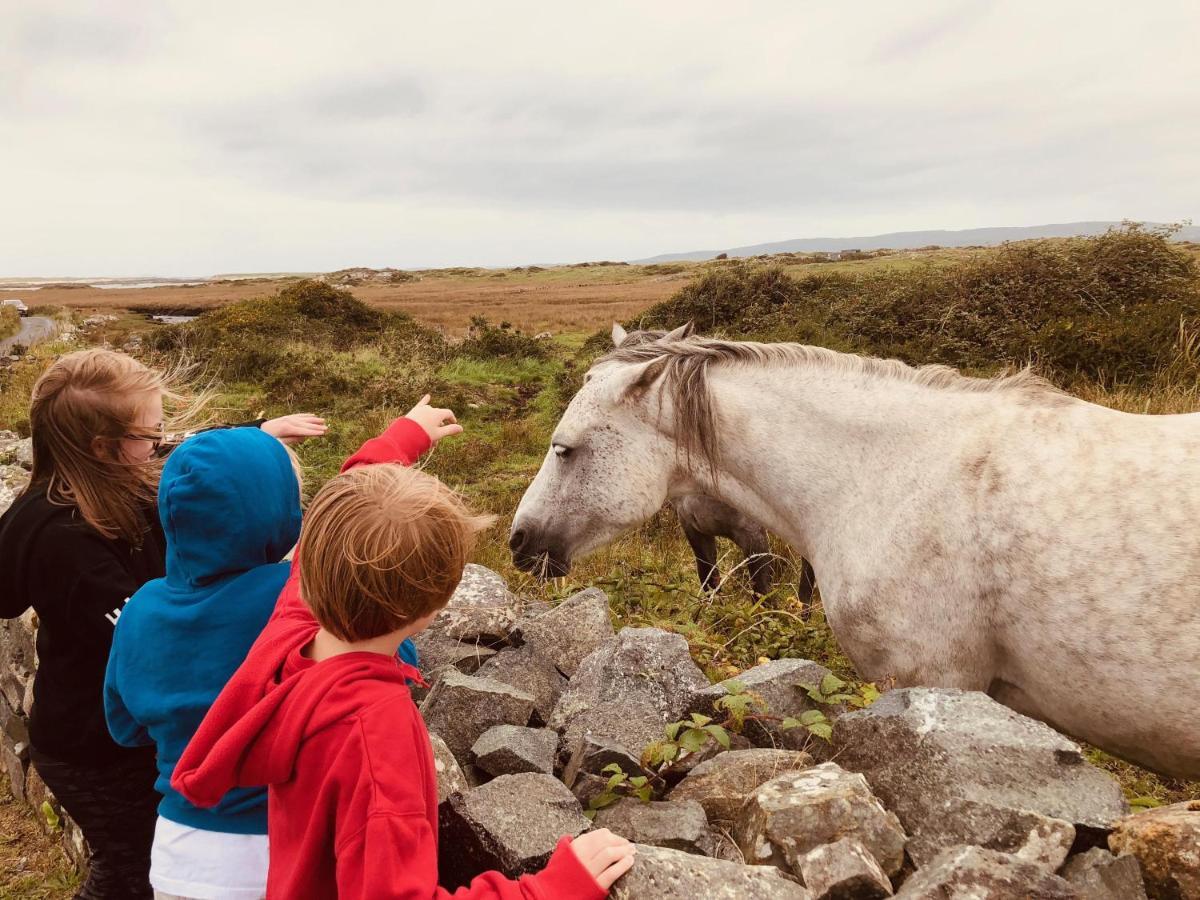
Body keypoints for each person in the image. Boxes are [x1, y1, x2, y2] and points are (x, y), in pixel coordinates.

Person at [171, 418, 637, 898]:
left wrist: (399, 441)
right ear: (435, 608)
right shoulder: (378, 735)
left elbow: (340, 502)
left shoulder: (287, 639)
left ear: (308, 564)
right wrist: (549, 890)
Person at [0, 348, 325, 900]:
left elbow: (186, 469)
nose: (161, 445)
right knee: (128, 875)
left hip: (115, 731)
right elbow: (165, 636)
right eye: (151, 435)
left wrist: (255, 434)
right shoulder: (64, 542)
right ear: (105, 448)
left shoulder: (105, 479)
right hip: (95, 750)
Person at [103, 398, 440, 900]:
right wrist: (403, 438)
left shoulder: (141, 609)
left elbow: (125, 728)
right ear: (279, 513)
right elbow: (350, 517)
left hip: (180, 855)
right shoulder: (289, 595)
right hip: (279, 851)